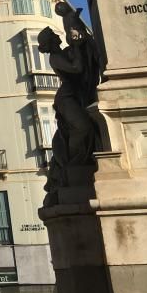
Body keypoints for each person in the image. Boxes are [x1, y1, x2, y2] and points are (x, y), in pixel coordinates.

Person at [37, 27, 99, 206]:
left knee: (81, 129)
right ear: (50, 42)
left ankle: (76, 164)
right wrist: (78, 48)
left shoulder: (62, 53)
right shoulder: (55, 57)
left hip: (75, 95)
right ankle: (73, 165)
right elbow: (77, 68)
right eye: (54, 36)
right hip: (67, 98)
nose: (58, 36)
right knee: (82, 127)